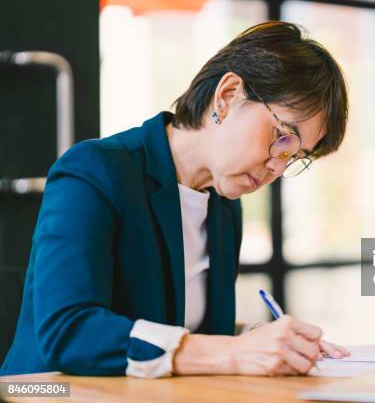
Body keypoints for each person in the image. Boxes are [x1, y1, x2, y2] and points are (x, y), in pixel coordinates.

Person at [0, 21, 350, 378]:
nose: (277, 166)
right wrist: (231, 352)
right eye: (283, 137)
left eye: (294, 156)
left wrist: (257, 339)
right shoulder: (95, 171)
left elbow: (179, 330)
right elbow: (69, 332)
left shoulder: (224, 206)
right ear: (228, 96)